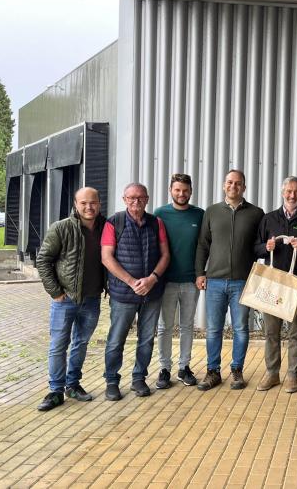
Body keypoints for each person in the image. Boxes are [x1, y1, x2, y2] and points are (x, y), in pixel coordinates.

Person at [36, 187, 106, 411]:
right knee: (58, 345)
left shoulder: (106, 227)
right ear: (76, 204)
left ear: (99, 204)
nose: (89, 207)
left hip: (92, 298)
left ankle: (73, 384)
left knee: (81, 343)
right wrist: (55, 291)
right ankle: (56, 391)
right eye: (83, 203)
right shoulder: (61, 228)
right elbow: (43, 260)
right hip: (64, 299)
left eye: (93, 202)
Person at [195, 169, 264, 391]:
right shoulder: (212, 211)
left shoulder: (256, 213)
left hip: (242, 282)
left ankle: (237, 370)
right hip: (214, 281)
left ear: (244, 187)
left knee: (241, 329)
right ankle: (213, 371)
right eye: (230, 182)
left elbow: (260, 246)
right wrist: (200, 272)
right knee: (214, 329)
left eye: (238, 183)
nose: (233, 186)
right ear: (224, 185)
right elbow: (203, 245)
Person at [102, 183, 170, 400]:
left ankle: (139, 378)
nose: (136, 201)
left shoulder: (156, 223)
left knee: (147, 338)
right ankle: (112, 381)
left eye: (140, 197)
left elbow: (165, 255)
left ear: (147, 199)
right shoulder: (114, 222)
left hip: (152, 292)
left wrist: (152, 279)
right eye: (131, 197)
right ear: (124, 199)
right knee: (116, 339)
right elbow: (106, 257)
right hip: (123, 294)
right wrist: (132, 282)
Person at [254, 176, 297, 393]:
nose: (292, 195)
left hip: (295, 284)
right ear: (283, 192)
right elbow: (255, 248)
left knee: (295, 332)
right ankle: (272, 373)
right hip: (272, 284)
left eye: (296, 191)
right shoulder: (269, 219)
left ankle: (293, 375)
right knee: (271, 332)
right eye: (289, 191)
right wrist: (266, 247)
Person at [153, 174, 205, 389]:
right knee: (165, 326)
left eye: (185, 190)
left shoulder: (199, 215)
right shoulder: (159, 214)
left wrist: (202, 273)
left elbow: (204, 246)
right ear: (170, 190)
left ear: (191, 191)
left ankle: (184, 367)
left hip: (191, 281)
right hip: (166, 282)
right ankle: (164, 369)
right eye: (177, 190)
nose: (181, 194)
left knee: (187, 326)